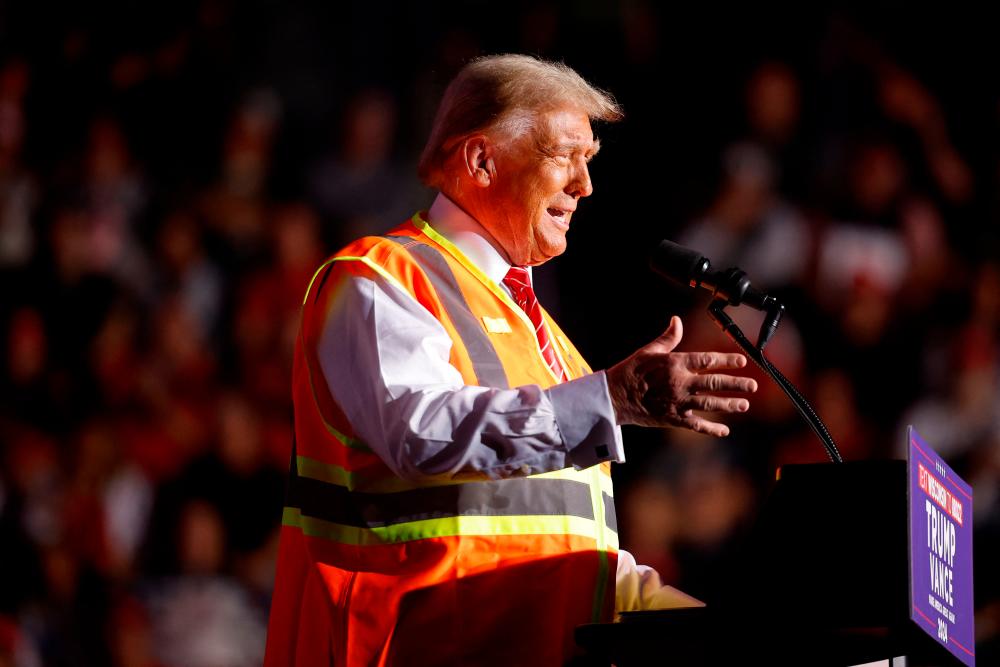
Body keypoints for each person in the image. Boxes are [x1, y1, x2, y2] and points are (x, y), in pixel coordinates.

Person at [264, 54, 757, 666]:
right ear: (481, 160)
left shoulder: (554, 346)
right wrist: (612, 399)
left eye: (589, 161)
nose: (585, 185)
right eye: (565, 156)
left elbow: (576, 557)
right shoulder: (380, 281)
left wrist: (744, 645)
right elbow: (420, 434)